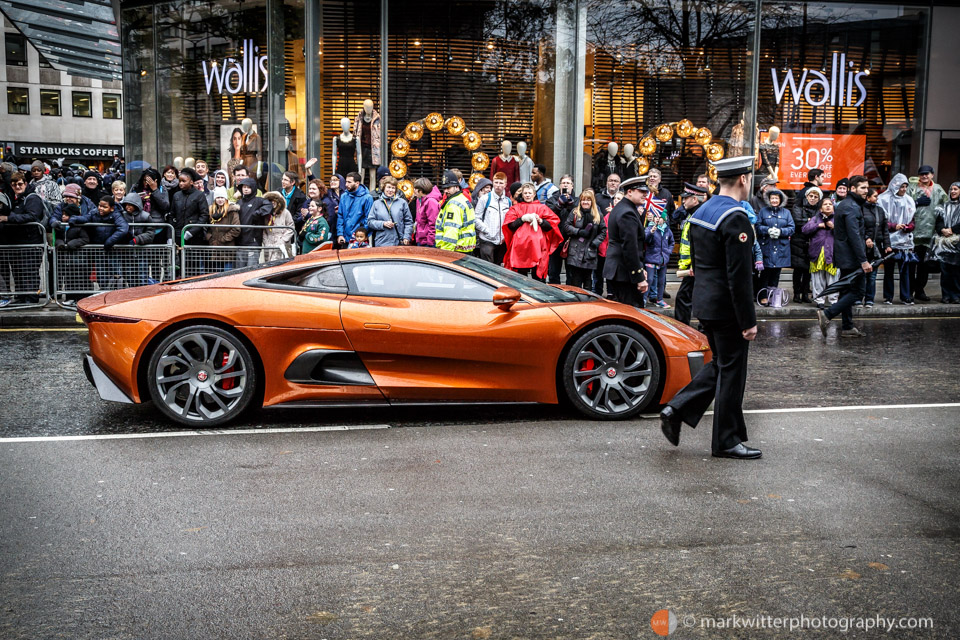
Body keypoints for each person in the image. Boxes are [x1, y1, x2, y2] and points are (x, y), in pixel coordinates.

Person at [659, 155, 760, 460]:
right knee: (733, 372)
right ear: (743, 179)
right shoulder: (736, 217)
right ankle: (726, 441)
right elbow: (739, 276)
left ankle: (676, 409)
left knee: (720, 365)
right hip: (727, 307)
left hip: (705, 302)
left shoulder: (705, 209)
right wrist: (748, 320)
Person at [816, 175, 872, 337]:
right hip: (852, 258)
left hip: (846, 256)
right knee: (858, 292)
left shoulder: (848, 205)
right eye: (862, 188)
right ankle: (827, 314)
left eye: (867, 188)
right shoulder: (851, 207)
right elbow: (854, 235)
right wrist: (863, 260)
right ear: (852, 189)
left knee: (847, 291)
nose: (865, 191)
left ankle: (847, 326)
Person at [602, 176, 649, 306]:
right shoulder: (627, 212)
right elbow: (630, 248)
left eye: (646, 192)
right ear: (629, 192)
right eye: (641, 191)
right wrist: (639, 277)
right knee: (632, 316)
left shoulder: (623, 208)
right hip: (624, 273)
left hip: (621, 271)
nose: (645, 194)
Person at [0, 172, 46, 304]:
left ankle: (31, 299)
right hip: (18, 243)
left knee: (29, 272)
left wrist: (8, 218)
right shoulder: (16, 199)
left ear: (25, 183)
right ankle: (21, 297)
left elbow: (32, 216)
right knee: (18, 272)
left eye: (20, 184)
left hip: (31, 243)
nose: (17, 187)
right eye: (14, 184)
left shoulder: (32, 198)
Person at [501, 183, 563, 279]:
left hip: (538, 247)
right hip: (520, 248)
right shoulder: (515, 208)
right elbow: (510, 226)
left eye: (529, 193)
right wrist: (522, 219)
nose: (527, 195)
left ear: (534, 194)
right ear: (522, 194)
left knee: (538, 277)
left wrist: (541, 221)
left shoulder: (542, 208)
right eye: (525, 193)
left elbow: (551, 225)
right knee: (520, 276)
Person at [908, 164, 949, 302]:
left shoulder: (938, 189)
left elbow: (947, 207)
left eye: (927, 174)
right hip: (912, 234)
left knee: (924, 266)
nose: (924, 176)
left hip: (930, 235)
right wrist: (916, 202)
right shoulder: (911, 188)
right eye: (922, 174)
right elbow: (904, 205)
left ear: (932, 174)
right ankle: (909, 291)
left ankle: (920, 290)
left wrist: (942, 227)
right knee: (910, 264)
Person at [878, 173, 917, 305]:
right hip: (889, 240)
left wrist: (907, 227)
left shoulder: (909, 200)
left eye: (906, 186)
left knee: (904, 270)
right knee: (888, 270)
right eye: (901, 186)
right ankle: (888, 297)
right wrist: (894, 226)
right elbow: (881, 221)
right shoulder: (883, 199)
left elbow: (912, 220)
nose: (904, 189)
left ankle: (905, 296)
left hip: (905, 241)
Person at [673, 183, 708, 325]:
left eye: (686, 198)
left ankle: (683, 330)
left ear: (694, 199)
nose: (683, 201)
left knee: (684, 298)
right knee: (689, 298)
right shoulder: (693, 214)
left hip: (695, 267)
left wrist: (695, 264)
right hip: (692, 266)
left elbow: (700, 244)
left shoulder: (698, 216)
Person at [755, 188, 794, 305]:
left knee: (776, 273)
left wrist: (780, 232)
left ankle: (773, 297)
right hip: (766, 246)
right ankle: (763, 296)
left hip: (781, 248)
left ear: (781, 200)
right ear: (768, 199)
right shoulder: (763, 211)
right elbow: (757, 226)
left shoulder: (786, 212)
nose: (774, 200)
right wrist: (768, 230)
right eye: (772, 198)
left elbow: (792, 228)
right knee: (765, 273)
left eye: (777, 198)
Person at [562, 189, 606, 289]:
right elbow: (566, 226)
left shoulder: (598, 215)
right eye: (583, 200)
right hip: (575, 250)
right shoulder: (574, 212)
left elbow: (603, 231)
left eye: (588, 200)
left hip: (590, 251)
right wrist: (578, 231)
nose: (585, 202)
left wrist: (596, 242)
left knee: (587, 280)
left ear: (592, 201)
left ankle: (587, 302)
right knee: (575, 280)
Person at [802, 198, 839, 309]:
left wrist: (834, 227)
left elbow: (845, 233)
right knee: (818, 278)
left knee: (833, 277)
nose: (828, 206)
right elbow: (804, 230)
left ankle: (833, 300)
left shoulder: (837, 219)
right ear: (820, 208)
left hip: (833, 253)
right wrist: (818, 225)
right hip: (817, 252)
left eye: (830, 204)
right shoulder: (815, 218)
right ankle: (819, 300)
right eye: (825, 204)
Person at [861, 188, 893, 306]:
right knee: (862, 274)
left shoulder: (880, 210)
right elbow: (859, 227)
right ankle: (859, 298)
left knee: (872, 275)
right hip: (863, 247)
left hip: (876, 247)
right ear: (868, 197)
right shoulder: (861, 209)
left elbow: (884, 229)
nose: (877, 199)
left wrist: (887, 245)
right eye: (875, 196)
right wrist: (866, 238)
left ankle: (869, 299)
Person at [434, 170, 476, 253]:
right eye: (444, 188)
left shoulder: (454, 204)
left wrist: (445, 252)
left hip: (454, 250)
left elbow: (451, 230)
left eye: (448, 188)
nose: (446, 191)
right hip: (464, 248)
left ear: (457, 187)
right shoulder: (462, 199)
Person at [791, 186, 820, 303]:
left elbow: (819, 222)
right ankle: (796, 294)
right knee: (798, 270)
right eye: (811, 196)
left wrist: (809, 221)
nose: (812, 199)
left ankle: (805, 294)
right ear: (806, 196)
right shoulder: (797, 206)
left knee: (808, 270)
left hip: (812, 242)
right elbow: (797, 222)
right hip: (798, 241)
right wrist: (811, 221)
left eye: (815, 197)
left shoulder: (819, 209)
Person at [234, 177, 272, 268]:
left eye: (248, 187)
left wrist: (257, 213)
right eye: (244, 187)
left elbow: (269, 206)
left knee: (251, 268)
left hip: (253, 242)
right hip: (240, 242)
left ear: (253, 188)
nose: (246, 189)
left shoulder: (259, 200)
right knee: (239, 268)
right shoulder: (239, 202)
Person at [474, 172, 511, 263]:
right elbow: (475, 218)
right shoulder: (485, 199)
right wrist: (486, 230)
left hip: (501, 241)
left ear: (505, 184)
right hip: (487, 240)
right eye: (496, 182)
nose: (498, 185)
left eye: (501, 183)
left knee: (498, 268)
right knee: (487, 268)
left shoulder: (508, 201)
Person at [545, 174, 576, 283]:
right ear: (559, 185)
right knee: (553, 272)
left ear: (572, 186)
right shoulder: (552, 199)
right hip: (555, 238)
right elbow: (547, 215)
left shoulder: (577, 201)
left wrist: (571, 205)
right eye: (563, 183)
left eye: (568, 183)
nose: (566, 185)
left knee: (571, 274)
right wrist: (558, 205)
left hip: (571, 240)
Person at [643, 202, 674, 309]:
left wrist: (668, 251)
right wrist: (651, 232)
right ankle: (643, 298)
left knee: (661, 281)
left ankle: (659, 299)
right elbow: (646, 239)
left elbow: (672, 242)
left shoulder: (667, 231)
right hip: (651, 258)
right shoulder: (650, 228)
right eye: (656, 217)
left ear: (664, 219)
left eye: (660, 217)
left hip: (663, 259)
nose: (658, 219)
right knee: (649, 279)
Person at [933, 182, 960, 303]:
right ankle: (946, 295)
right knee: (945, 270)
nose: (953, 191)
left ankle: (956, 295)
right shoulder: (943, 206)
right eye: (951, 189)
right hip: (944, 243)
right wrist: (942, 229)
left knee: (956, 270)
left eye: (956, 189)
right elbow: (938, 221)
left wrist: (953, 230)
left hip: (957, 243)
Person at [367, 176, 413, 247]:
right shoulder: (376, 203)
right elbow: (370, 222)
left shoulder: (402, 203)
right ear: (383, 187)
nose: (390, 190)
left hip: (399, 241)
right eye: (388, 187)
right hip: (381, 242)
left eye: (393, 188)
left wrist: (406, 237)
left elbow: (408, 222)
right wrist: (383, 224)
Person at [170, 168, 208, 247]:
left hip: (195, 235)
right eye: (179, 181)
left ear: (191, 182)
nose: (181, 183)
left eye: (183, 181)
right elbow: (172, 215)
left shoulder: (199, 195)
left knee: (193, 258)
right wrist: (169, 236)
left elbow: (204, 215)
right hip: (178, 234)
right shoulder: (176, 195)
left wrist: (191, 232)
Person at [337, 172, 373, 246]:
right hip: (345, 238)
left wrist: (362, 235)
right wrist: (340, 234)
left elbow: (368, 218)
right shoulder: (344, 196)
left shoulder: (367, 198)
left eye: (349, 182)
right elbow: (340, 216)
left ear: (357, 183)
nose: (346, 184)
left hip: (359, 239)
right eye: (346, 182)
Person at [260, 191, 295, 261]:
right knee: (268, 265)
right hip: (269, 245)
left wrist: (283, 240)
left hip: (283, 244)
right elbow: (263, 229)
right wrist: (266, 242)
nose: (272, 202)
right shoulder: (266, 214)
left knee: (283, 264)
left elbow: (291, 227)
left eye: (274, 201)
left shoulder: (285, 212)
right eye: (270, 201)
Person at [413, 178, 441, 248]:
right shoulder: (418, 200)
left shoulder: (431, 202)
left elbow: (433, 224)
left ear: (421, 190)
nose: (414, 191)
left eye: (415, 189)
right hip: (421, 239)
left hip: (428, 242)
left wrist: (430, 242)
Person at [323, 174, 344, 245]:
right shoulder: (328, 193)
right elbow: (318, 186)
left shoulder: (346, 193)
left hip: (344, 224)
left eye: (335, 180)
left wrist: (341, 211)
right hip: (332, 225)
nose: (332, 182)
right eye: (331, 180)